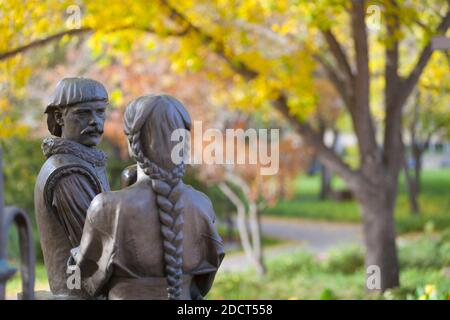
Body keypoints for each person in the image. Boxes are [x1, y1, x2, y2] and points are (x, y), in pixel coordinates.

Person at [71, 94, 224, 300]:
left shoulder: (108, 206)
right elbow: (204, 281)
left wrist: (73, 257)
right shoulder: (201, 204)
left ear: (133, 143)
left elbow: (83, 281)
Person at [34, 77, 110, 296]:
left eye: (100, 112)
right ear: (59, 117)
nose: (95, 121)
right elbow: (96, 254)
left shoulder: (83, 162)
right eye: (83, 113)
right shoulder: (69, 172)